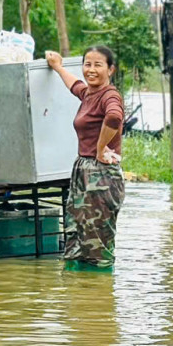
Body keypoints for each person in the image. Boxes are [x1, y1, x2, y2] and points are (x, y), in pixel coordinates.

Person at [44, 45, 126, 273]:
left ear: (111, 70)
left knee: (96, 243)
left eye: (98, 65)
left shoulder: (109, 95)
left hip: (101, 175)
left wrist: (101, 148)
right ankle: (77, 297)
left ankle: (99, 298)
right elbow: (75, 86)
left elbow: (114, 117)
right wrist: (58, 67)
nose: (91, 70)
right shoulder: (89, 93)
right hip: (83, 171)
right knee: (75, 235)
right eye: (87, 64)